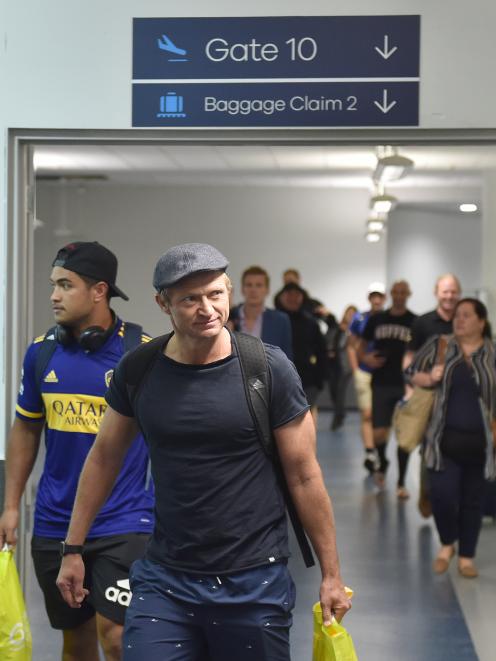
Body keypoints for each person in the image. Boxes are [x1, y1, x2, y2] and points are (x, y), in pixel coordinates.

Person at [56, 243, 351, 661]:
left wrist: (332, 575)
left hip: (254, 579)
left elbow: (304, 475)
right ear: (163, 303)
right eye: (190, 299)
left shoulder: (267, 370)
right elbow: (104, 457)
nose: (206, 308)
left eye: (215, 294)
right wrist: (73, 548)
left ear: (229, 291)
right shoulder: (140, 370)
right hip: (165, 578)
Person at [0, 241, 154, 661]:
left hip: (123, 519)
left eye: (65, 285)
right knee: (77, 639)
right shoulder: (42, 351)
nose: (54, 295)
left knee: (119, 638)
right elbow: (26, 428)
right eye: (54, 284)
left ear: (99, 290)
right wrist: (11, 505)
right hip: (54, 522)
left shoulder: (139, 353)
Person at [406, 298, 496, 578]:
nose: (459, 320)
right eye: (457, 315)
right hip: (441, 441)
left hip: (481, 445)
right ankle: (447, 544)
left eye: (467, 316)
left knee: (473, 502)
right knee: (442, 497)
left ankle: (466, 556)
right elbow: (410, 372)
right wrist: (428, 377)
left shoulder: (492, 354)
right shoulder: (440, 345)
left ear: (481, 322)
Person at [405, 274, 462, 517]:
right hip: (430, 395)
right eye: (445, 291)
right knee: (430, 445)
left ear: (459, 293)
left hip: (461, 397)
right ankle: (428, 492)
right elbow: (409, 359)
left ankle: (455, 497)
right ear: (436, 292)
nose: (449, 296)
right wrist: (412, 386)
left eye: (453, 291)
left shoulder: (468, 320)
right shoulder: (422, 322)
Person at [359, 280, 416, 498]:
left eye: (404, 292)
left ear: (408, 294)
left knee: (404, 436)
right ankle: (383, 462)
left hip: (405, 384)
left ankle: (401, 483)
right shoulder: (377, 319)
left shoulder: (414, 321)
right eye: (397, 292)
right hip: (381, 382)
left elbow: (421, 350)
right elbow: (361, 344)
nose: (400, 295)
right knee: (379, 433)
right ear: (391, 294)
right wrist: (365, 357)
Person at [347, 283, 387, 472]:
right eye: (374, 296)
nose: (377, 300)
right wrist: (356, 367)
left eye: (380, 296)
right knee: (367, 414)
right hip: (364, 371)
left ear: (384, 298)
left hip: (385, 374)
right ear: (369, 298)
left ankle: (381, 451)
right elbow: (351, 345)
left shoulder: (388, 319)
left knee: (384, 417)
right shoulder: (360, 318)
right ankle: (370, 452)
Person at [277, 282, 327, 418]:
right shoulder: (273, 320)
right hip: (277, 380)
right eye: (289, 294)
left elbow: (322, 352)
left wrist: (319, 382)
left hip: (307, 381)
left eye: (297, 295)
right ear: (281, 297)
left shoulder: (310, 323)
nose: (293, 298)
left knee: (302, 420)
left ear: (303, 298)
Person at [229, 265, 293, 358]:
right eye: (249, 285)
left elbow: (287, 358)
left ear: (267, 290)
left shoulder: (281, 320)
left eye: (259, 285)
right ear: (242, 289)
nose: (253, 290)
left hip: (271, 372)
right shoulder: (229, 316)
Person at [315, 304, 357, 431]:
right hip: (331, 364)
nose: (350, 316)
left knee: (339, 392)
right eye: (348, 313)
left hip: (345, 365)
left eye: (353, 314)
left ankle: (337, 418)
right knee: (333, 390)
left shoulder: (355, 332)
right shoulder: (336, 326)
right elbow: (329, 321)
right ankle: (341, 413)